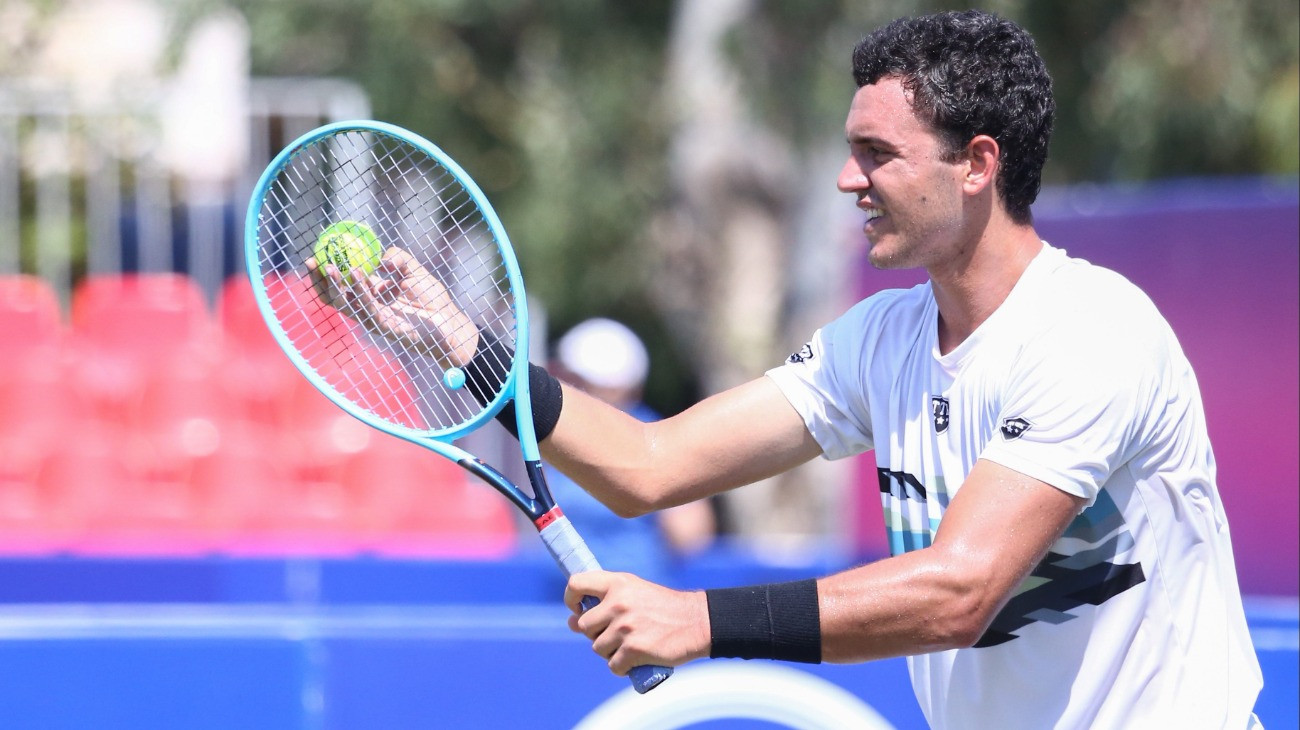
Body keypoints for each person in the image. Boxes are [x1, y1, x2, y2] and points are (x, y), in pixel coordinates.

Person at [310, 10, 1263, 728]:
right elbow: (650, 467)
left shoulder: (1092, 331)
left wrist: (698, 621)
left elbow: (959, 592)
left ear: (977, 164)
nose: (849, 180)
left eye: (877, 154)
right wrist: (459, 342)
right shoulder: (879, 338)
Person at [543, 317, 714, 583]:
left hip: (635, 600)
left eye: (575, 377)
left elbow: (690, 534)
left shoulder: (659, 435)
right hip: (563, 600)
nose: (562, 382)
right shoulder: (554, 433)